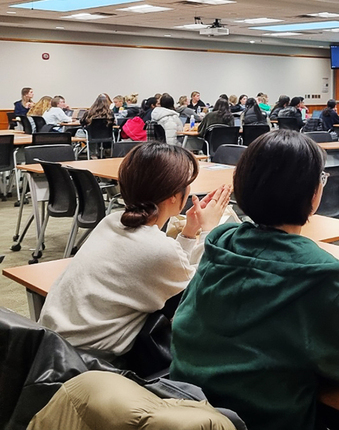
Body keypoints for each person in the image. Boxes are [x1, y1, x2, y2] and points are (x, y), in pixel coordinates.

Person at [170, 131, 339, 430]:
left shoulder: (219, 245)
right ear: (313, 194)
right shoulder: (318, 276)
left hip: (188, 407)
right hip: (263, 420)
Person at [38, 142, 232, 361]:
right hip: (90, 363)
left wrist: (190, 232)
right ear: (173, 195)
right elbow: (202, 287)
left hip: (53, 348)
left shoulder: (110, 222)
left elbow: (173, 270)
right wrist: (209, 230)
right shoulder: (157, 248)